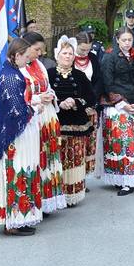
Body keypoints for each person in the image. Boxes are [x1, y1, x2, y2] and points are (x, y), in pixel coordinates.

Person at [0, 37, 42, 235]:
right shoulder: (10, 76)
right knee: (16, 171)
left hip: (13, 132)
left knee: (22, 171)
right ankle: (13, 221)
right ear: (16, 55)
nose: (28, 60)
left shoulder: (11, 71)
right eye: (26, 57)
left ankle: (19, 218)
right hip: (12, 136)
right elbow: (17, 110)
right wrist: (35, 108)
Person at [18, 31, 65, 213]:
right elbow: (21, 95)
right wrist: (38, 98)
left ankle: (48, 200)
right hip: (34, 115)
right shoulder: (20, 68)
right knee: (37, 157)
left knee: (49, 157)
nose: (40, 53)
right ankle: (35, 202)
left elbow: (48, 85)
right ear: (27, 47)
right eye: (37, 49)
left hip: (48, 115)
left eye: (41, 50)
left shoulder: (39, 65)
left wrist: (50, 94)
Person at [99, 27, 134, 195]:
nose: (127, 43)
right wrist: (121, 102)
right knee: (121, 145)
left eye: (130, 40)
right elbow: (107, 83)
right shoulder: (109, 56)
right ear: (117, 40)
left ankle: (132, 178)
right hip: (117, 106)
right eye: (124, 40)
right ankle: (121, 180)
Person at [49, 35, 97, 207]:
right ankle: (56, 195)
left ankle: (72, 194)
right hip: (56, 122)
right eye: (64, 53)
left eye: (70, 53)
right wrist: (58, 102)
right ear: (57, 55)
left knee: (74, 159)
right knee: (56, 160)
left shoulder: (80, 75)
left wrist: (75, 101)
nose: (68, 56)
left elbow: (91, 98)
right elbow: (44, 94)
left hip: (77, 124)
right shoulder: (48, 74)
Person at [73, 31, 104, 176]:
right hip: (74, 105)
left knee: (89, 143)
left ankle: (85, 175)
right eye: (82, 49)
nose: (85, 52)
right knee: (76, 145)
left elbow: (98, 80)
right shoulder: (69, 57)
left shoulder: (93, 58)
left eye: (88, 49)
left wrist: (92, 101)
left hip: (91, 104)